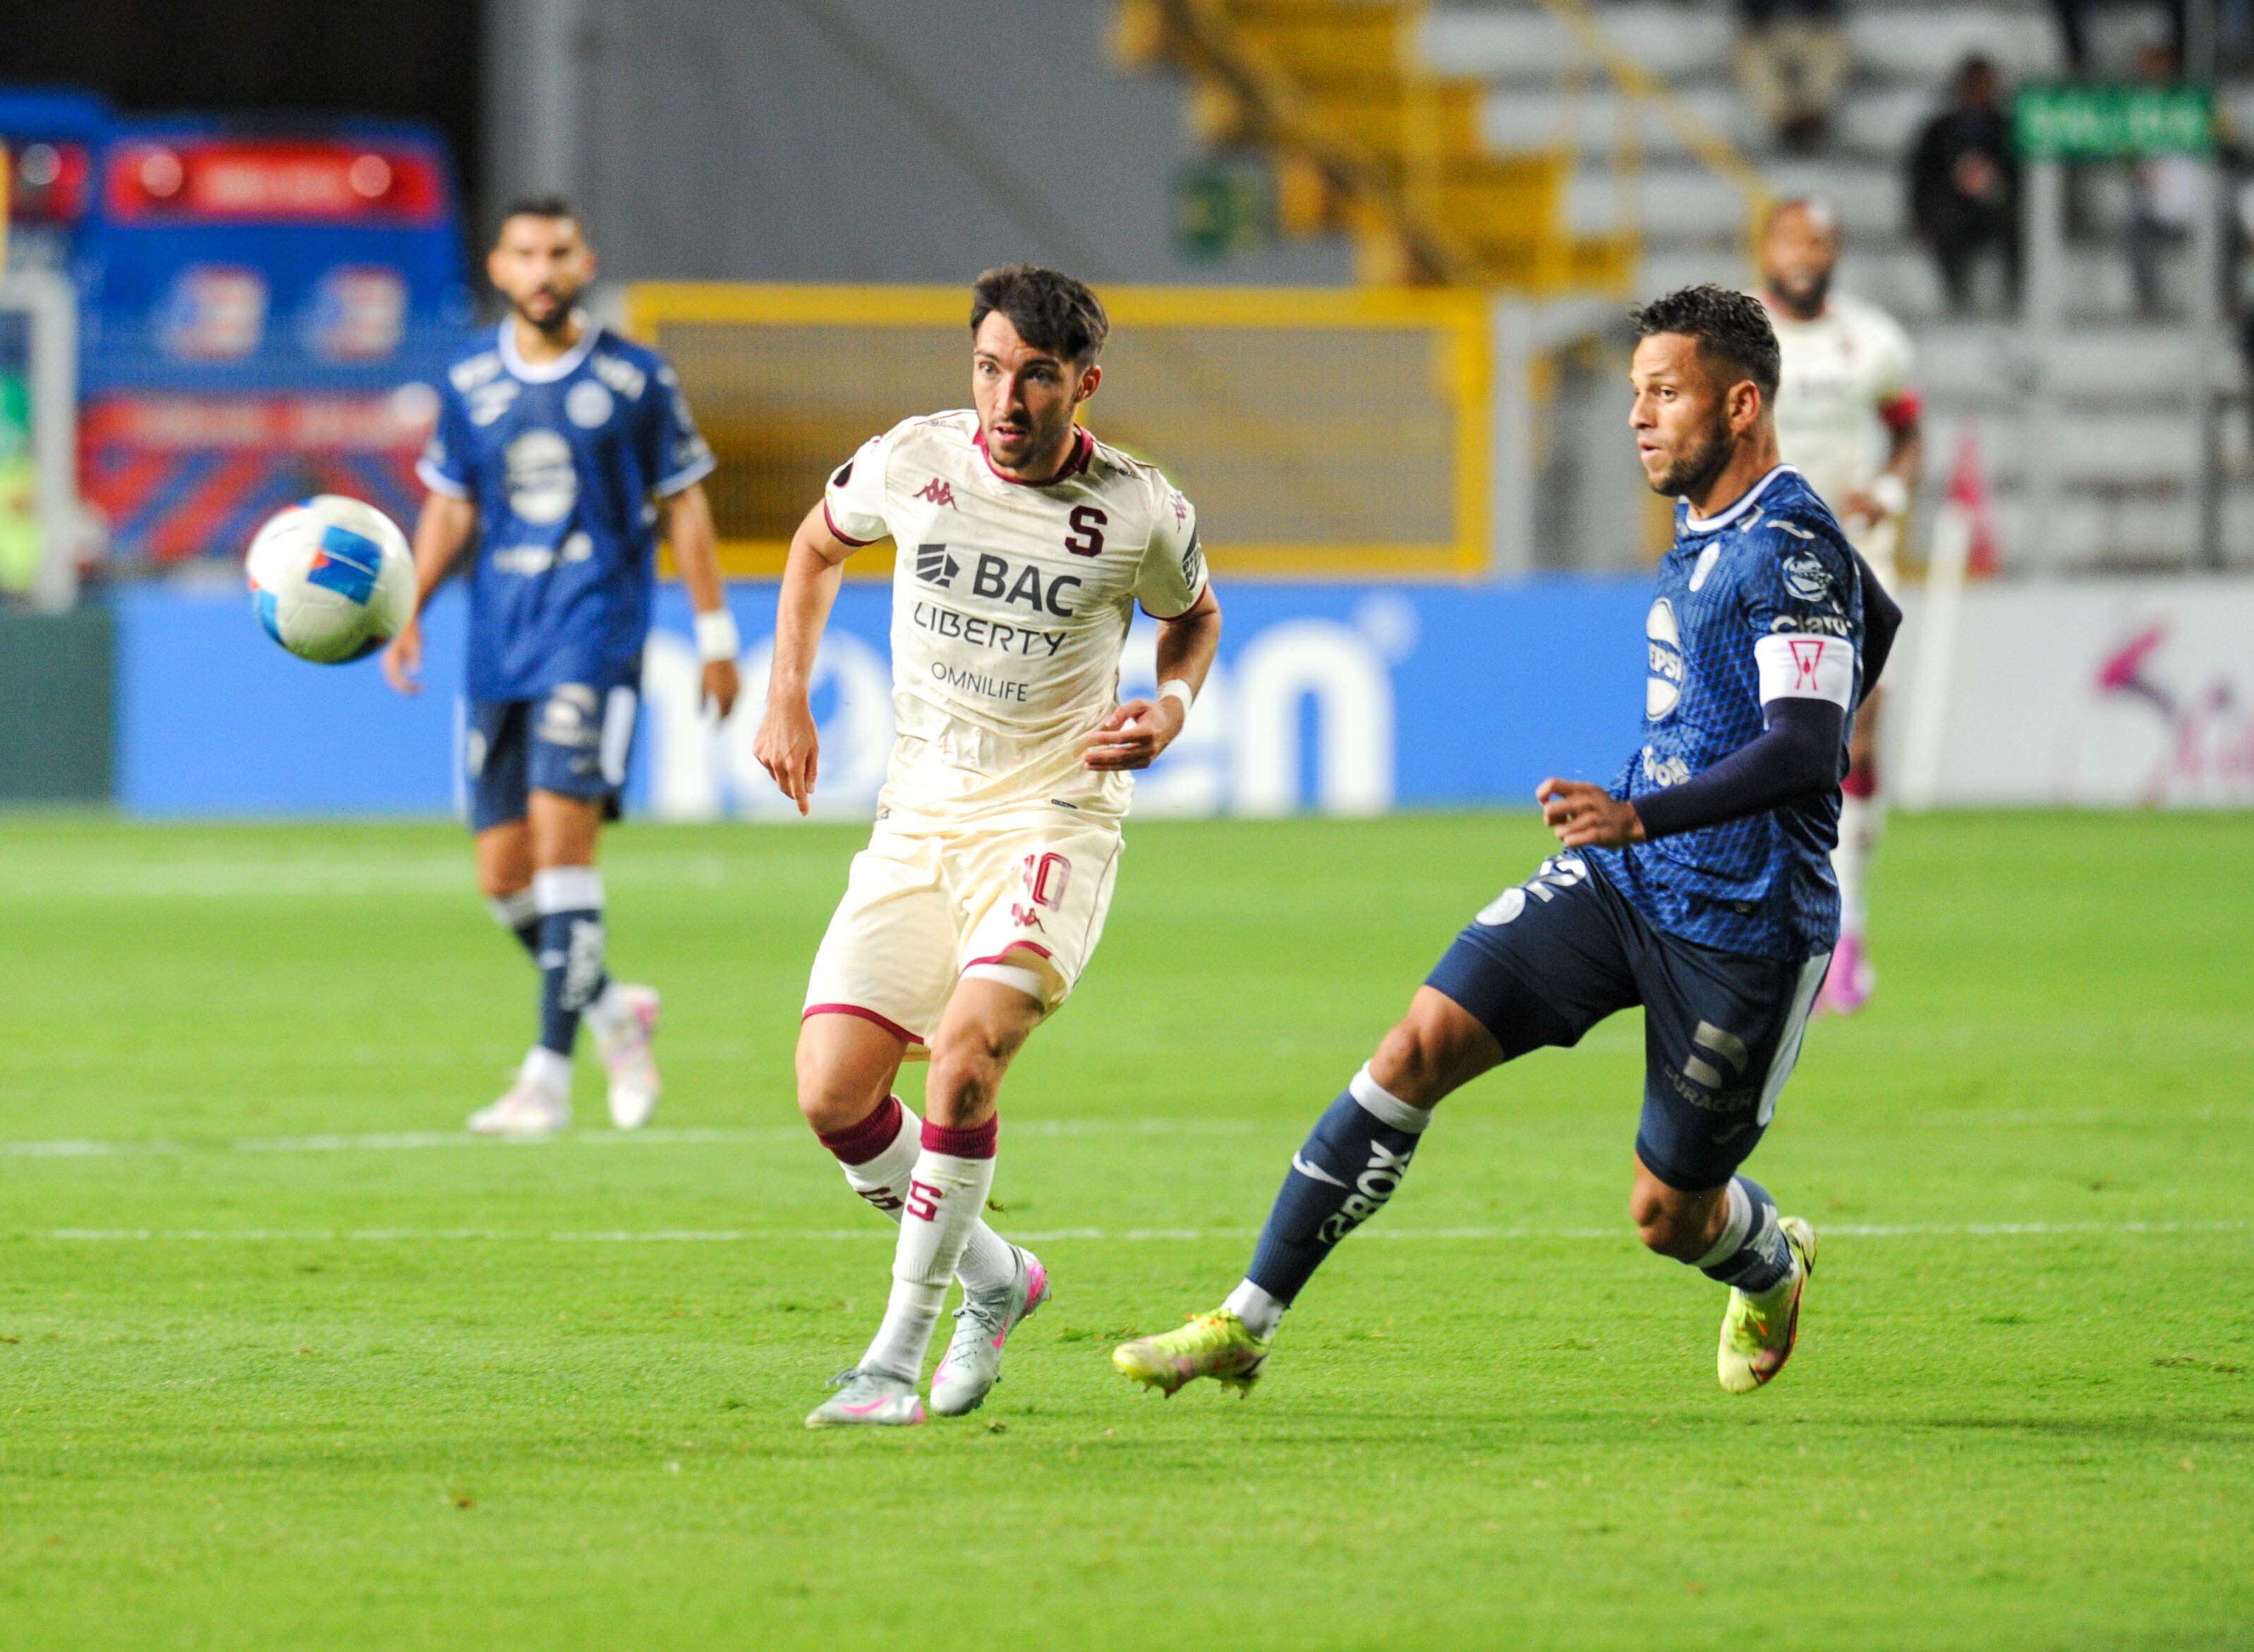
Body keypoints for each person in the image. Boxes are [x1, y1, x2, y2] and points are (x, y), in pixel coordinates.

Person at [1113, 286, 1902, 1402]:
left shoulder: (1788, 545)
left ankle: (1770, 1259)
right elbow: (1882, 616)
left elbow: (1803, 751)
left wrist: (1638, 809)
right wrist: (1635, 833)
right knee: (1415, 1045)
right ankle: (1245, 1320)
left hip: (1743, 925)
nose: (1636, 417)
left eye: (1663, 394)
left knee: (1665, 1212)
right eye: (1633, 393)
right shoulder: (1721, 513)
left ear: (1738, 404)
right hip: (1628, 881)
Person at [756, 265, 1223, 1427]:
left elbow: (1195, 616)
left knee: (967, 1053)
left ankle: (890, 1361)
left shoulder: (1140, 511)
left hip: (1051, 822)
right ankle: (1000, 1281)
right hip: (917, 821)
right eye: (989, 368)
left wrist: (1169, 709)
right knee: (832, 1095)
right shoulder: (915, 460)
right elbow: (818, 546)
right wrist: (788, 695)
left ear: (1085, 384)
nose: (1006, 400)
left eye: (1036, 377)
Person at [382, 198, 740, 1136]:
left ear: (584, 263)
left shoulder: (635, 378)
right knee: (502, 878)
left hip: (594, 632)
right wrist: (409, 608)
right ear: (499, 269)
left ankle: (545, 1076)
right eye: (525, 254)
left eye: (559, 253)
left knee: (561, 844)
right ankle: (618, 1012)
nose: (543, 270)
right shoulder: (466, 380)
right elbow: (453, 507)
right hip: (499, 639)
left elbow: (685, 507)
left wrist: (714, 635)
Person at [1757, 198, 1922, 1014]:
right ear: (1767, 248)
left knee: (1857, 733)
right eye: (1793, 238)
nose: (1806, 253)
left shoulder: (1874, 342)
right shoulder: (1740, 339)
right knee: (1775, 744)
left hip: (1858, 560)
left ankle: (1848, 933)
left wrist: (1890, 490)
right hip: (1768, 559)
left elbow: (1908, 429)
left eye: (1821, 240)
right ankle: (1776, 923)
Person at [1908, 57, 2024, 315]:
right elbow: (1922, 178)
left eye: (1987, 85)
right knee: (1944, 222)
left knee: (2019, 223)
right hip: (1955, 208)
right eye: (1975, 85)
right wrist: (1919, 222)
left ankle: (2018, 298)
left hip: (1998, 206)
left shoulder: (2009, 129)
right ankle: (1957, 296)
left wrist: (1995, 187)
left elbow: (2022, 178)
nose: (1980, 92)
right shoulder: (1939, 130)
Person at [1736, 0, 1850, 153]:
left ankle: (1810, 113)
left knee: (1830, 50)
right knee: (1751, 56)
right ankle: (1789, 116)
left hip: (1805, 26)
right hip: (1767, 29)